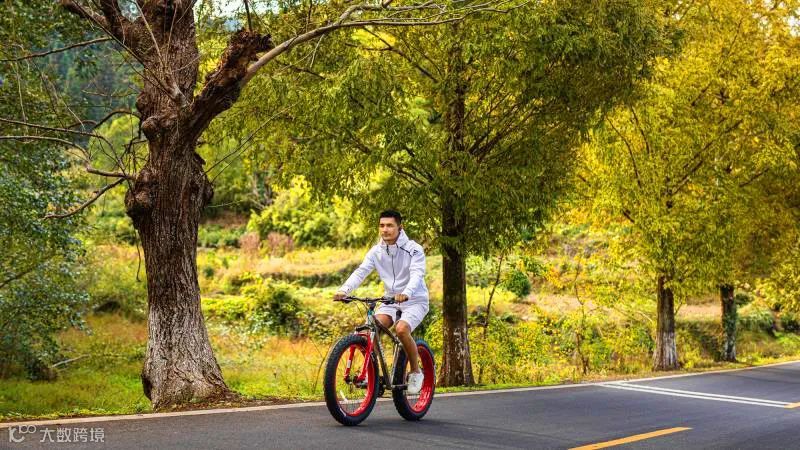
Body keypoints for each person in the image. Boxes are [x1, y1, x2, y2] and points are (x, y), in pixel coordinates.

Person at [334, 210, 429, 394]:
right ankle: (372, 373)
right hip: (390, 300)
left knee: (401, 329)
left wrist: (407, 293)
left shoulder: (414, 249)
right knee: (371, 329)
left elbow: (417, 274)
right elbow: (361, 271)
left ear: (400, 227)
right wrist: (344, 290)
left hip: (415, 300)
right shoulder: (376, 251)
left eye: (390, 225)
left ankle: (416, 372)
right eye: (382, 225)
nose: (385, 229)